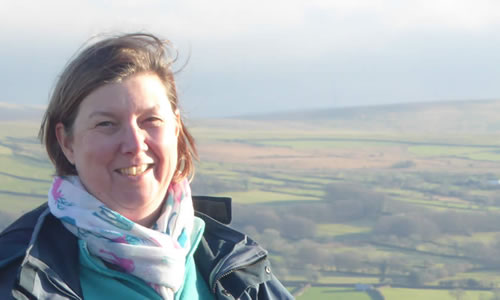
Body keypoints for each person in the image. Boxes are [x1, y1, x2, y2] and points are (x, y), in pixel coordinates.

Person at [0, 33, 293, 299]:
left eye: (150, 120)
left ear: (176, 129)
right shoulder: (18, 278)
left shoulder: (236, 265)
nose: (134, 143)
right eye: (106, 124)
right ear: (67, 142)